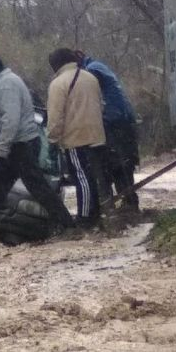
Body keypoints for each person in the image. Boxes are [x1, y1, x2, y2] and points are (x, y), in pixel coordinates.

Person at [0, 51, 77, 247]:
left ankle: (68, 225)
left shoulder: (6, 84)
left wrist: (2, 148)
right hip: (20, 144)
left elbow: (11, 120)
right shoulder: (6, 81)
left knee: (35, 188)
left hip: (21, 145)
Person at [46, 47, 107, 229]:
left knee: (81, 177)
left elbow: (55, 117)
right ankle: (96, 215)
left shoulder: (58, 84)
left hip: (75, 137)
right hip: (97, 135)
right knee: (93, 177)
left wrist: (52, 139)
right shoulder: (90, 78)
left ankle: (85, 218)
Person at [75, 51, 140, 212]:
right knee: (122, 166)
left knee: (117, 165)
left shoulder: (92, 71)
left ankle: (126, 206)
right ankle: (129, 204)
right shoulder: (98, 66)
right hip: (122, 121)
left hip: (116, 123)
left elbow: (89, 96)